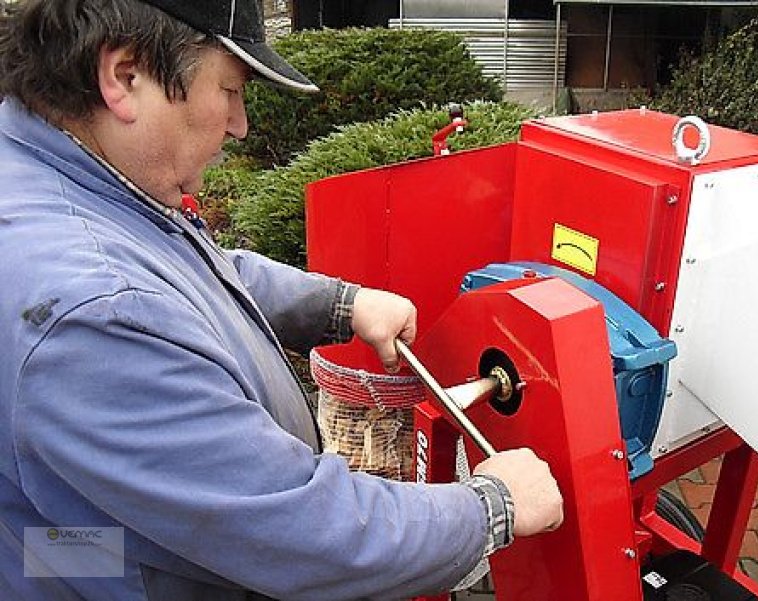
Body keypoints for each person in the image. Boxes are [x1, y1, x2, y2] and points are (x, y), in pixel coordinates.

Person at [0, 1, 563, 599]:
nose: (239, 124)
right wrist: (492, 508)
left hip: (63, 538)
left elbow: (188, 269)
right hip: (95, 572)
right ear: (125, 76)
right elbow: (304, 532)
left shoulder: (56, 175)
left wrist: (340, 305)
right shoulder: (91, 314)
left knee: (54, 538)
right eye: (229, 90)